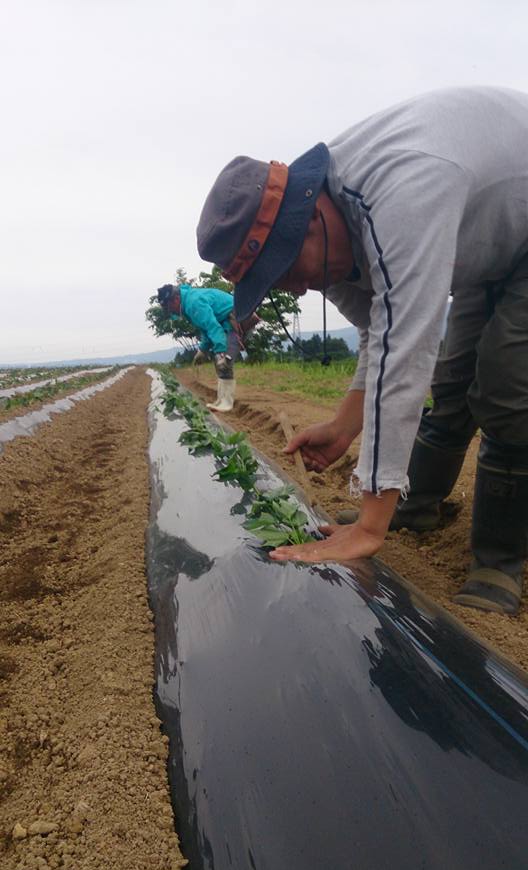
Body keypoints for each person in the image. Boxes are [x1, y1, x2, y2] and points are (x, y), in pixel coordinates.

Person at [196, 86, 528, 615]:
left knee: (506, 381)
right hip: (487, 240)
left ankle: (499, 558)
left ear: (309, 219)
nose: (296, 289)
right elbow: (378, 333)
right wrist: (343, 427)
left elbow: (406, 350)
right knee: (452, 381)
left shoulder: (402, 195)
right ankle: (416, 506)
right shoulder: (333, 235)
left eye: (286, 269)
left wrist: (369, 527)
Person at [155, 283, 260, 411]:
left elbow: (213, 327)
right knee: (220, 362)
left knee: (224, 362)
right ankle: (222, 400)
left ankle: (226, 403)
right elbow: (205, 329)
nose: (170, 311)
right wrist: (202, 349)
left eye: (169, 307)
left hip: (239, 318)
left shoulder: (193, 303)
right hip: (227, 321)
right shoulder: (188, 303)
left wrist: (221, 351)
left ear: (176, 299)